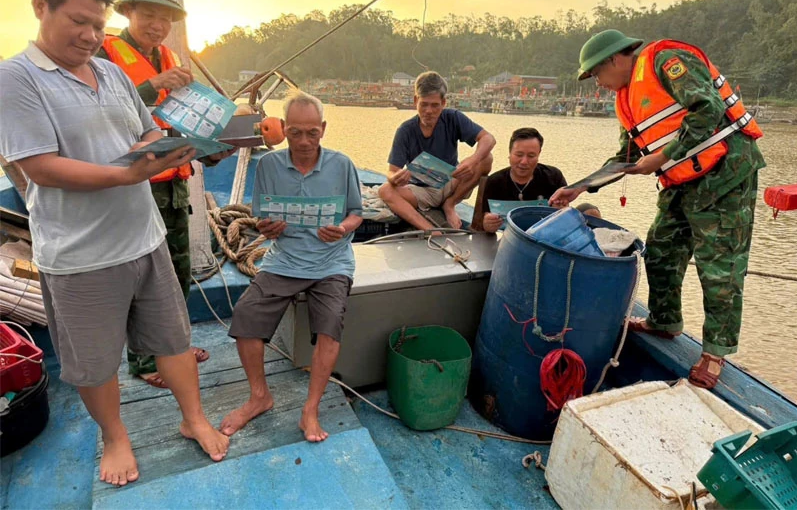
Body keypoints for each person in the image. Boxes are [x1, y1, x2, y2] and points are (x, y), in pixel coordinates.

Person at [0, 0, 229, 486]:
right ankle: (115, 436)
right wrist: (126, 176)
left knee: (172, 339)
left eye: (98, 25)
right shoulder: (17, 78)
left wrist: (172, 149)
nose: (90, 36)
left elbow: (144, 130)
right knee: (94, 363)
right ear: (41, 6)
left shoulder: (110, 70)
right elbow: (39, 166)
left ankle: (193, 419)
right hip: (79, 254)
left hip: (143, 238)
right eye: (78, 21)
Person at [550, 29, 765, 389]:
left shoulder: (666, 63)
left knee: (720, 267)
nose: (598, 84)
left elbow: (708, 108)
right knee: (661, 249)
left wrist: (663, 156)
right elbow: (628, 157)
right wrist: (579, 187)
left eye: (597, 74)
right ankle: (664, 321)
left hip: (725, 174)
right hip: (681, 181)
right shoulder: (626, 99)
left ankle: (716, 352)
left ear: (616, 60)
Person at [96, 0, 232, 388]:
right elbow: (99, 110)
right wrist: (150, 86)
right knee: (142, 273)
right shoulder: (104, 54)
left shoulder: (171, 59)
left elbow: (182, 120)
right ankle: (142, 361)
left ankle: (173, 347)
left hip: (172, 180)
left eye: (164, 18)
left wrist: (213, 145)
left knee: (176, 270)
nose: (157, 24)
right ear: (128, 12)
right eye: (148, 14)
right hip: (133, 179)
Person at [219, 90, 363, 442]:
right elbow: (261, 216)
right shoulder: (268, 165)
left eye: (311, 132)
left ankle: (310, 409)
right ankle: (259, 396)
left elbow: (357, 213)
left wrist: (342, 228)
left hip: (332, 260)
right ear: (282, 128)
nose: (303, 140)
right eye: (295, 132)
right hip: (283, 257)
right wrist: (266, 227)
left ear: (323, 130)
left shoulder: (342, 164)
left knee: (330, 325)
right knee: (246, 316)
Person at [379, 71, 496, 230]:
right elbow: (392, 171)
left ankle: (450, 204)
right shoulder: (405, 130)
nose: (429, 111)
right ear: (415, 101)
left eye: (435, 105)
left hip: (451, 184)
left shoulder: (452, 118)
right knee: (385, 190)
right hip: (421, 191)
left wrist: (473, 160)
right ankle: (430, 230)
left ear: (443, 103)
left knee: (486, 158)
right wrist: (395, 178)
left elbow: (488, 138)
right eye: (424, 104)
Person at [481, 127, 567, 233]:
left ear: (538, 155)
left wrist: (561, 210)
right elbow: (484, 218)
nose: (524, 162)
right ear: (510, 153)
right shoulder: (494, 182)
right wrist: (488, 224)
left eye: (531, 156)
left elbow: (565, 215)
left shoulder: (553, 176)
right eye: (519, 155)